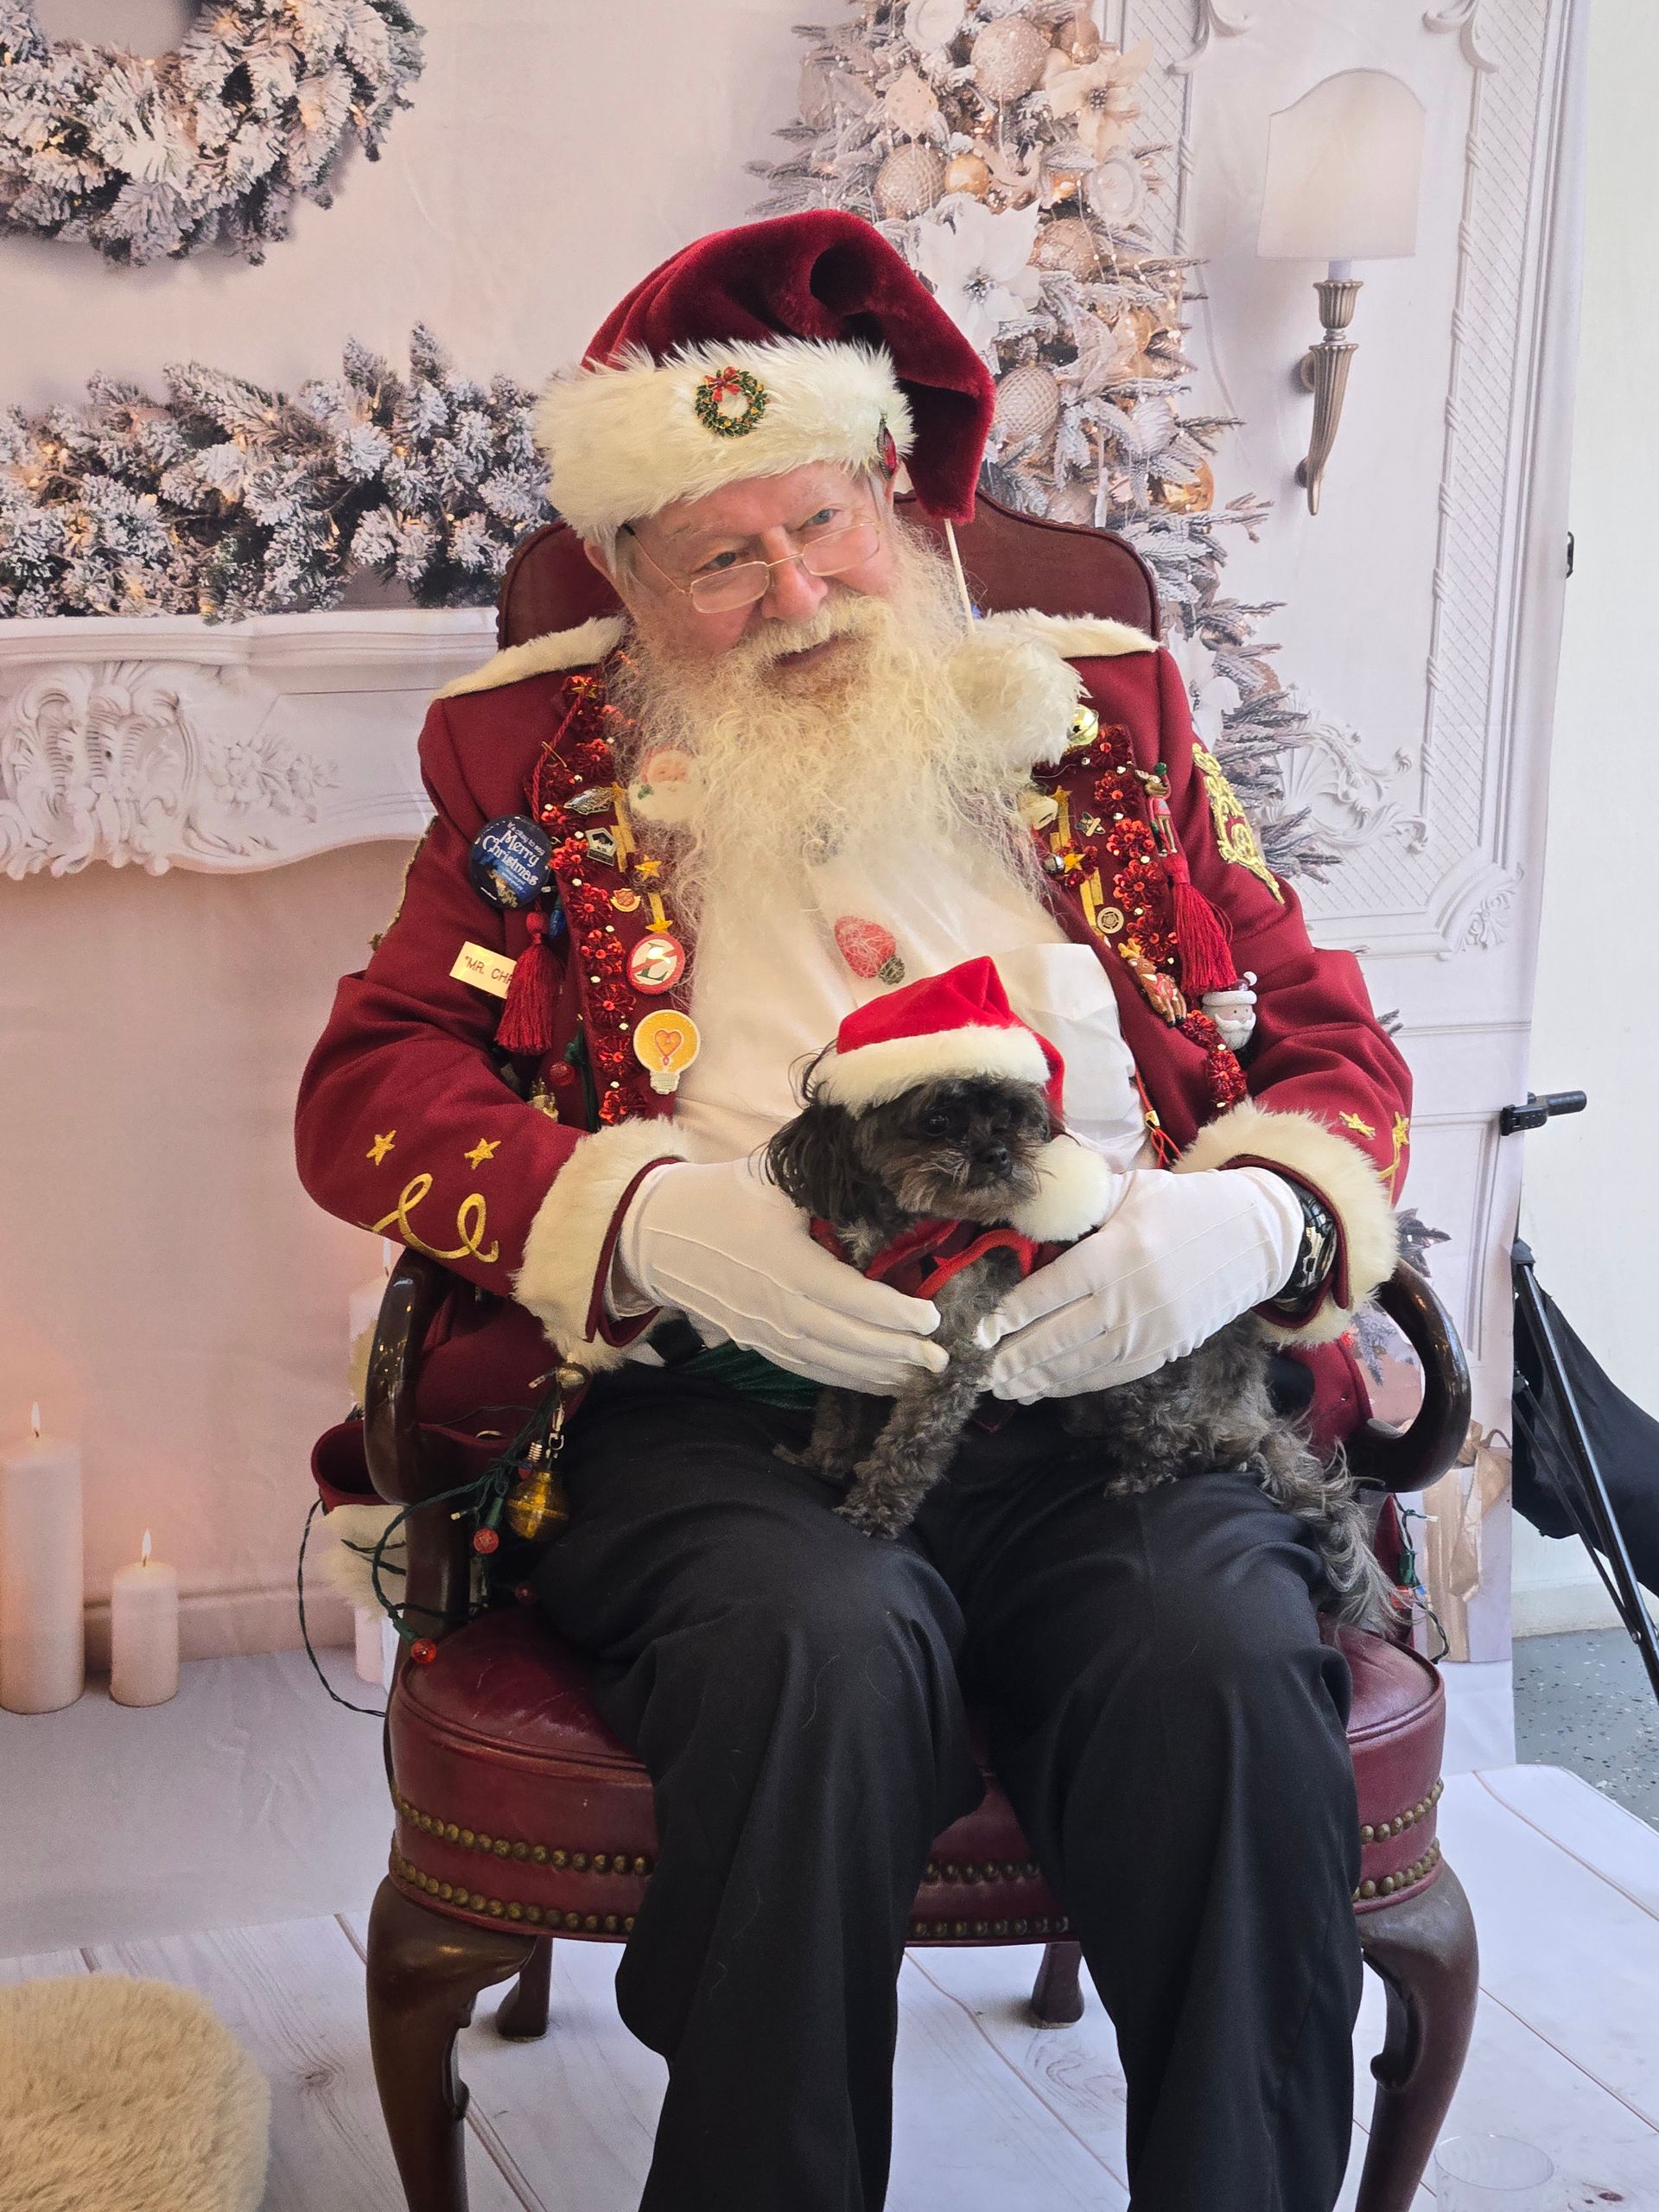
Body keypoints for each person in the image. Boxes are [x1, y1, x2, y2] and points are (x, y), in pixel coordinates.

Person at [296, 212, 1413, 2212]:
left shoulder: (1104, 721)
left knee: (1218, 1658)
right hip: (722, 1416)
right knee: (816, 1643)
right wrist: (640, 1223)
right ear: (632, 580)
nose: (795, 593)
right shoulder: (530, 767)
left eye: (822, 524)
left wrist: (1247, 1223)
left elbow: (1329, 1039)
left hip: (1114, 1395)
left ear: (896, 500)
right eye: (722, 556)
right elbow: (368, 1090)